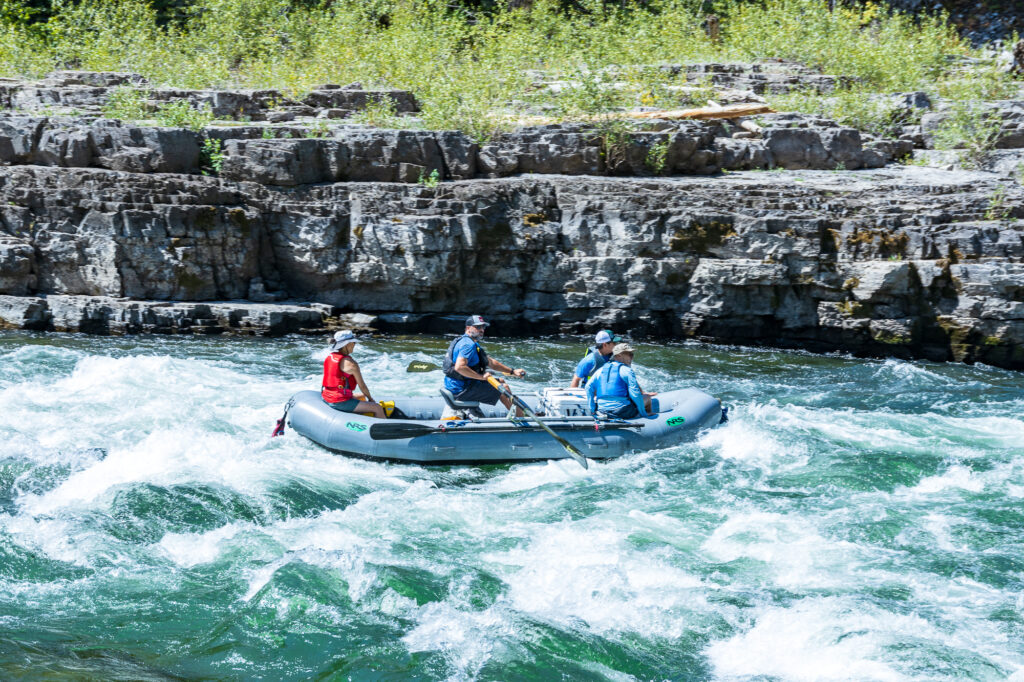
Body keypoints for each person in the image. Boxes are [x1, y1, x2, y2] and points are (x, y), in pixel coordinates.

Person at [442, 315, 526, 414]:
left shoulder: (468, 341)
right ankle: (522, 419)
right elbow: (460, 367)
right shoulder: (468, 345)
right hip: (461, 390)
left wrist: (512, 371)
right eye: (478, 327)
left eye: (483, 327)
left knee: (501, 380)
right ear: (468, 328)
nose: (482, 330)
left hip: (460, 385)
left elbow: (491, 362)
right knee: (503, 388)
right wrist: (481, 377)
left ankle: (522, 411)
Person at [321, 330, 386, 419]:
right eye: (354, 343)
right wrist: (371, 400)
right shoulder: (351, 364)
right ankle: (382, 430)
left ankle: (361, 417)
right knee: (377, 407)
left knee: (361, 396)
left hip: (326, 396)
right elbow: (362, 386)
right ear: (348, 344)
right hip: (338, 401)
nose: (354, 345)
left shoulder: (330, 357)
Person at [586, 342, 658, 420]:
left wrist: (592, 408)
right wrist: (643, 413)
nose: (632, 357)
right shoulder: (627, 370)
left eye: (632, 354)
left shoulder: (600, 370)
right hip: (621, 411)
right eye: (629, 354)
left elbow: (588, 387)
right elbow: (635, 394)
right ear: (619, 356)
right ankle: (647, 415)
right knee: (647, 398)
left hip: (601, 411)